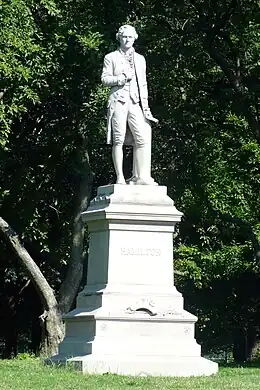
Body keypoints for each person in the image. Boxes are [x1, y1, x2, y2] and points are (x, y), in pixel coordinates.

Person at [101, 24, 158, 185]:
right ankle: (120, 177)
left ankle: (140, 176)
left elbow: (144, 84)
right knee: (118, 140)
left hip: (135, 102)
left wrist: (145, 108)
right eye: (124, 37)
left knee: (142, 137)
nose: (127, 40)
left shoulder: (140, 59)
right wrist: (121, 78)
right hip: (118, 100)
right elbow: (105, 79)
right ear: (119, 38)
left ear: (135, 38)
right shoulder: (110, 57)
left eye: (130, 37)